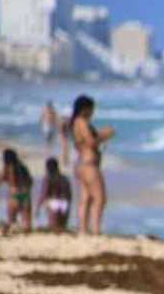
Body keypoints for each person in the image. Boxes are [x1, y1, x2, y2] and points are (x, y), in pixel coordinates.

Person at [70, 95, 114, 236]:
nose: (92, 112)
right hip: (89, 165)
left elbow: (86, 140)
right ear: (85, 109)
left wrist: (100, 133)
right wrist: (105, 135)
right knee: (100, 197)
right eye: (91, 109)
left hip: (82, 163)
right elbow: (91, 142)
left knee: (86, 198)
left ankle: (83, 229)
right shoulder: (81, 122)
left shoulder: (76, 123)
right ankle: (95, 229)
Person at [1, 149, 33, 234]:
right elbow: (30, 181)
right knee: (26, 221)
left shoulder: (8, 167)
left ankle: (5, 233)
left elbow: (4, 179)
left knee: (11, 219)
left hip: (14, 194)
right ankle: (26, 236)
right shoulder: (23, 167)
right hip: (25, 193)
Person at [36, 158, 71, 231]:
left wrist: (38, 207)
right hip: (64, 203)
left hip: (53, 202)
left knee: (53, 226)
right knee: (62, 226)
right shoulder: (64, 178)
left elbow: (44, 194)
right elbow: (69, 193)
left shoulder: (48, 178)